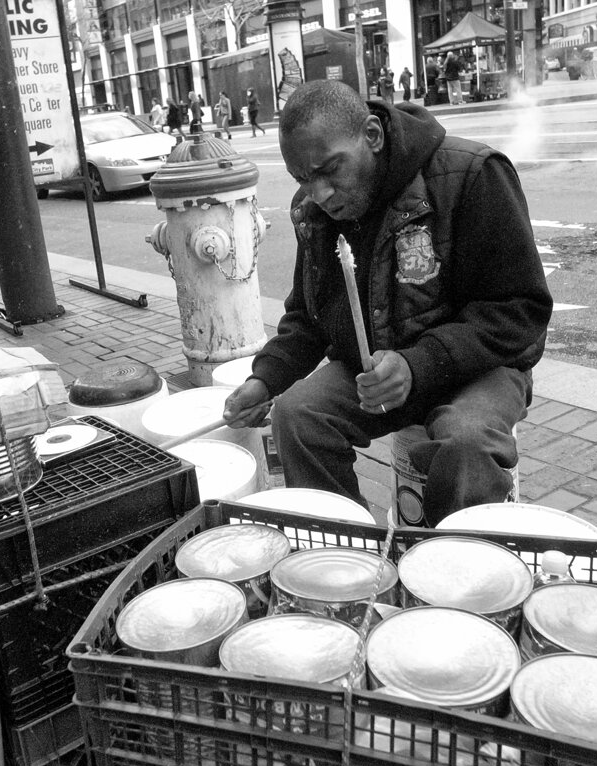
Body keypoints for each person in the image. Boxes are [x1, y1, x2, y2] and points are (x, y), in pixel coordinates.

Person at [221, 80, 551, 526]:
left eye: (330, 169)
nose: (319, 193)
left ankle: (450, 558)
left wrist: (418, 364)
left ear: (372, 136)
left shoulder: (472, 174)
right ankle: (348, 551)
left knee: (466, 442)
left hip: (480, 368)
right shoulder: (316, 211)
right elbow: (309, 316)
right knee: (298, 416)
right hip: (378, 370)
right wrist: (265, 379)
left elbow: (521, 309)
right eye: (303, 179)